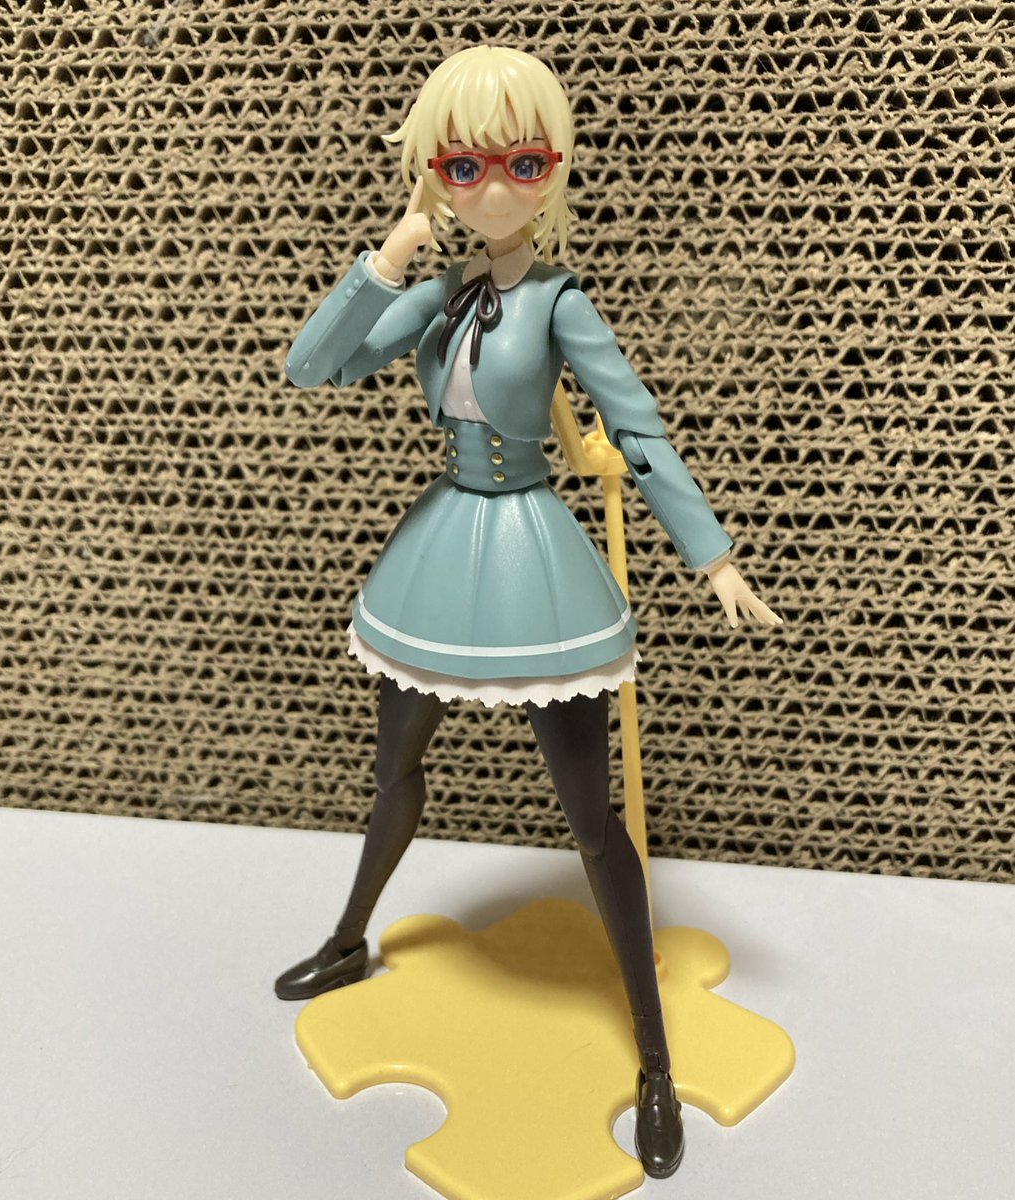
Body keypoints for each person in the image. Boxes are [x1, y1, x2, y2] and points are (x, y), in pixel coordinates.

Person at [277, 45, 781, 1179]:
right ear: (432, 172)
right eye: (464, 165)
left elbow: (636, 430)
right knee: (395, 769)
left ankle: (652, 1056)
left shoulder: (560, 301)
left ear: (552, 171)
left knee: (591, 820)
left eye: (523, 161)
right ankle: (350, 937)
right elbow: (312, 368)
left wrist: (712, 558)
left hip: (532, 559)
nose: (494, 187)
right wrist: (384, 261)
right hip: (437, 552)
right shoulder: (434, 298)